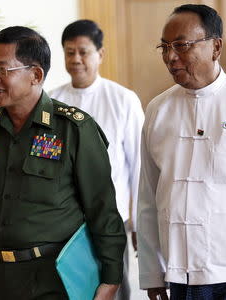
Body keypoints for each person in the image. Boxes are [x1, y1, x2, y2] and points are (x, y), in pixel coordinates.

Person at [0, 26, 127, 300]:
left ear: (35, 74)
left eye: (2, 70)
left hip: (59, 279)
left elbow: (103, 211)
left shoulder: (74, 129)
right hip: (1, 279)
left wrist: (110, 279)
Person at [137, 4, 226, 300]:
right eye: (165, 47)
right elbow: (148, 197)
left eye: (181, 45)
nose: (170, 57)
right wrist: (152, 273)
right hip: (181, 272)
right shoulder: (157, 110)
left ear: (215, 47)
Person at [49, 19, 144, 300]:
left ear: (100, 55)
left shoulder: (123, 100)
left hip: (110, 222)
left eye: (83, 51)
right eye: (69, 52)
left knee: (113, 290)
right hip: (64, 224)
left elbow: (139, 167)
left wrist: (139, 224)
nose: (76, 59)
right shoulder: (51, 102)